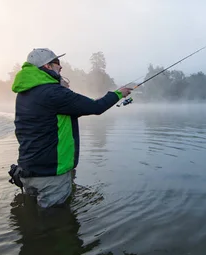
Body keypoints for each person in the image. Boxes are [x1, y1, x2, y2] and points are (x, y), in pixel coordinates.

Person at [8, 48, 132, 208]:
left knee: (33, 218)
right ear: (47, 67)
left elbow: (66, 111)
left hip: (28, 170)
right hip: (51, 174)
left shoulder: (25, 93)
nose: (61, 67)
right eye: (57, 63)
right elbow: (96, 107)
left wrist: (62, 89)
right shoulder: (54, 93)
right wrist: (118, 93)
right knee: (56, 225)